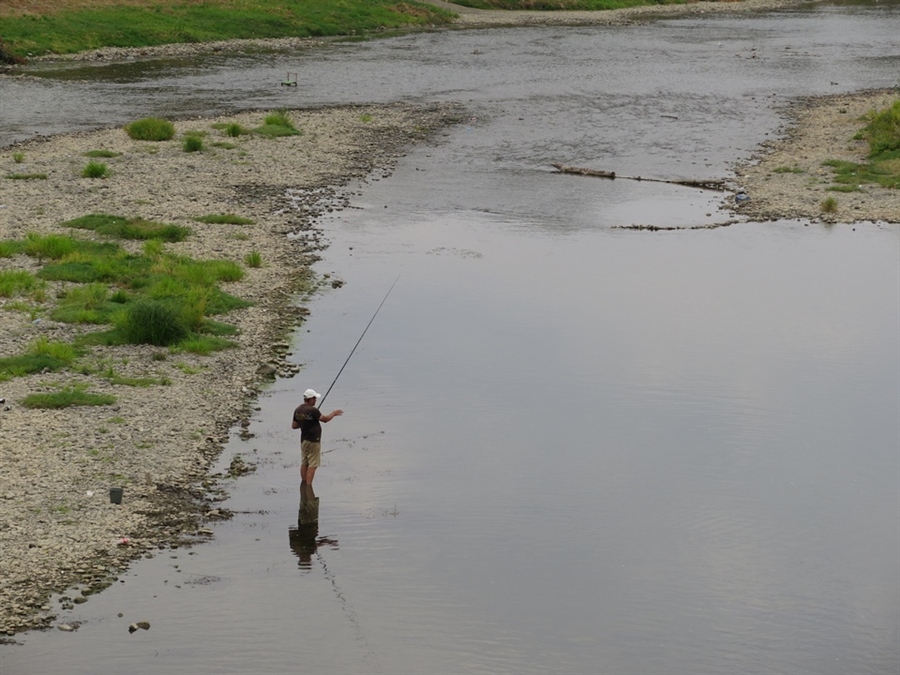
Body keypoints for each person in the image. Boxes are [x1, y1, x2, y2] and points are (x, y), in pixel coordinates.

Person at [291, 388, 342, 485]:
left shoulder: (298, 409)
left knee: (305, 462)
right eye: (314, 398)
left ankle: (304, 482)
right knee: (313, 464)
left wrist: (305, 422)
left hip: (304, 441)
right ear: (310, 399)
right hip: (313, 441)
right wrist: (334, 413)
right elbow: (325, 419)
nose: (315, 400)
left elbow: (294, 426)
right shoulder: (313, 410)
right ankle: (308, 486)